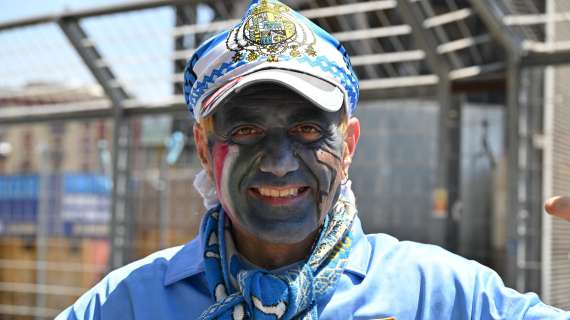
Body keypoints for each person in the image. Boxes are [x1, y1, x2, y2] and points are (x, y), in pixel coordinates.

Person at [57, 0, 570, 319]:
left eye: (307, 129)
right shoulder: (128, 303)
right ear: (202, 147)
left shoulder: (443, 297)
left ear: (348, 146)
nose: (279, 162)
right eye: (246, 129)